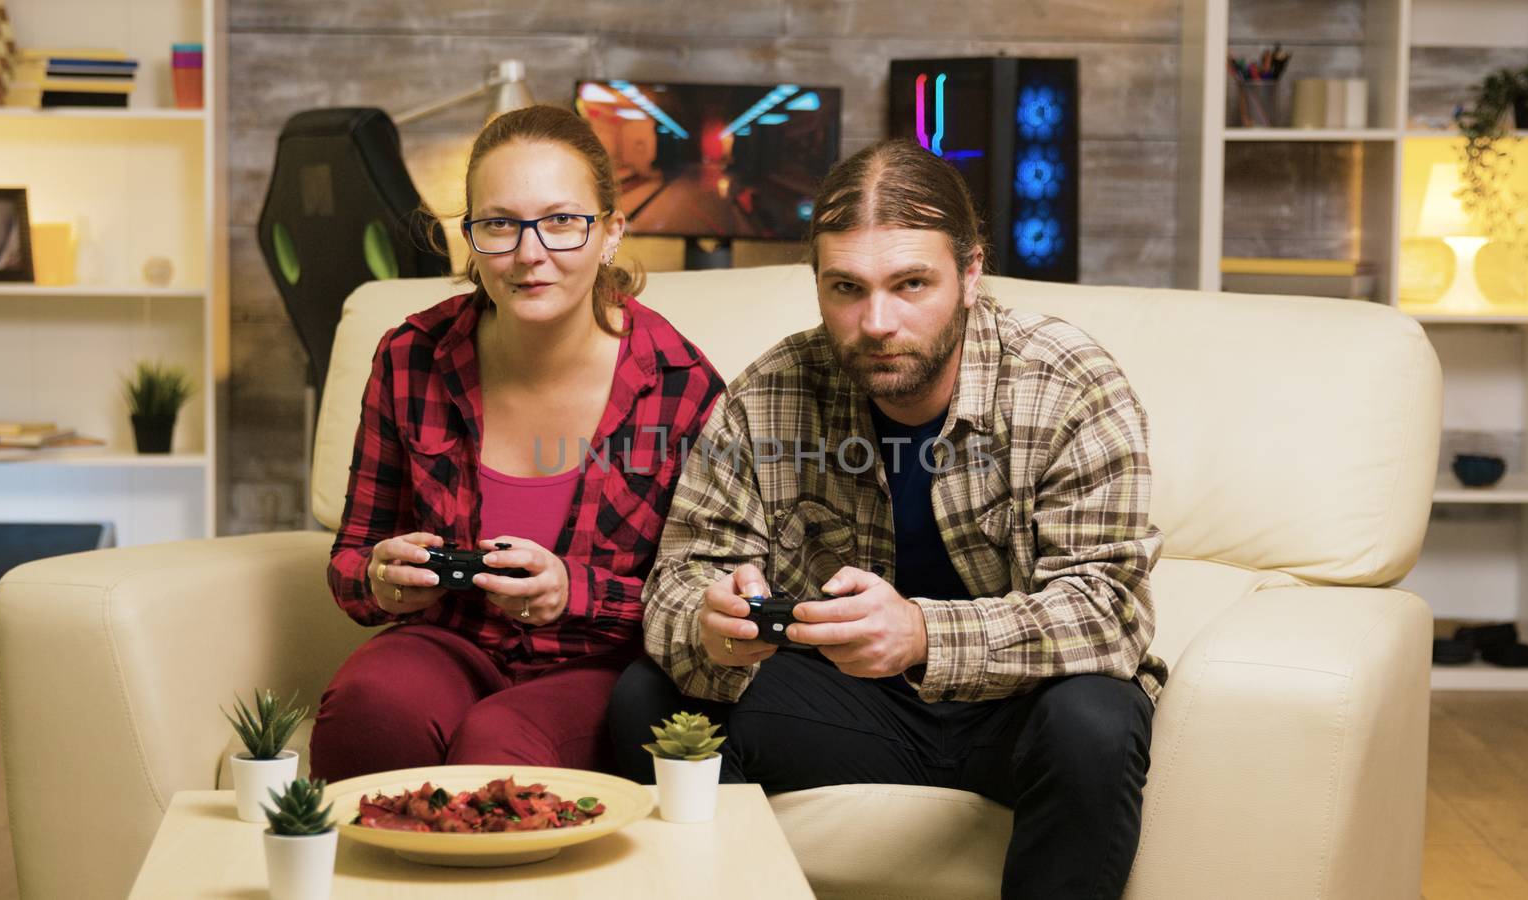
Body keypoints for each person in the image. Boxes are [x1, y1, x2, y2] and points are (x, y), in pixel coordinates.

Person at [612, 139, 1164, 900]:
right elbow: (680, 578)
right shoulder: (771, 391)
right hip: (856, 713)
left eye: (911, 284)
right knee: (647, 698)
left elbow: (1110, 611)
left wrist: (924, 634)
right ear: (816, 285)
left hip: (1020, 715)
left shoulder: (1067, 382)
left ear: (971, 274)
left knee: (1095, 716)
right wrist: (711, 628)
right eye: (846, 288)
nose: (876, 321)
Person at [310, 105, 723, 782]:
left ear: (611, 232)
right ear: (470, 236)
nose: (530, 254)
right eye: (499, 224)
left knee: (499, 742)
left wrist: (575, 593)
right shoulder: (410, 356)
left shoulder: (683, 387)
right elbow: (350, 558)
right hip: (452, 639)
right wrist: (382, 581)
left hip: (601, 664)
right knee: (373, 704)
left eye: (562, 221)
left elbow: (702, 602)